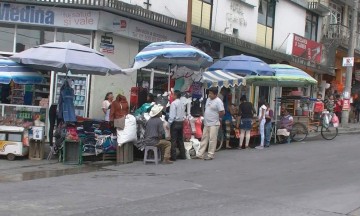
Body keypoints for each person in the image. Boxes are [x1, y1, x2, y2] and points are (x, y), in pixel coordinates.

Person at [193, 87, 225, 160]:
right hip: (206, 123)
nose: (209, 95)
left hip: (214, 123)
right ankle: (200, 154)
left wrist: (216, 116)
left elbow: (222, 112)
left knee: (212, 139)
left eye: (211, 93)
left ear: (215, 94)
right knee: (204, 138)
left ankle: (210, 155)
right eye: (209, 93)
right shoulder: (208, 100)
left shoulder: (218, 101)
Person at [168, 90, 186, 160]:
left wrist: (169, 123)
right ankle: (183, 155)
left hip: (175, 123)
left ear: (175, 95)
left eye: (173, 95)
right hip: (181, 122)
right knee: (180, 139)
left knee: (174, 140)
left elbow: (172, 115)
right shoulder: (182, 103)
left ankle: (173, 156)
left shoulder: (173, 103)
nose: (172, 96)